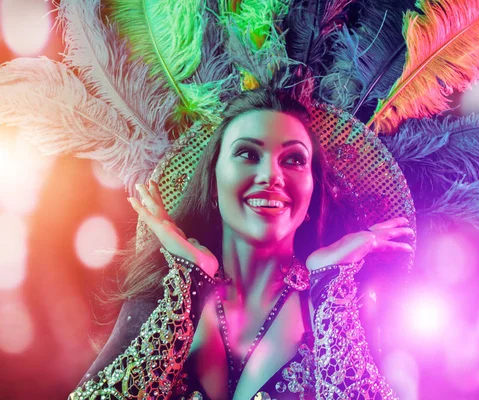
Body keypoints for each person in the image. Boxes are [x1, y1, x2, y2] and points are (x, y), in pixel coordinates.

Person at [69, 88, 415, 400]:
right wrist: (187, 287)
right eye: (248, 154)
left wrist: (328, 284)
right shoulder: (160, 296)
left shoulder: (346, 303)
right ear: (214, 182)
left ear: (313, 192)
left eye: (293, 159)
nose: (272, 176)